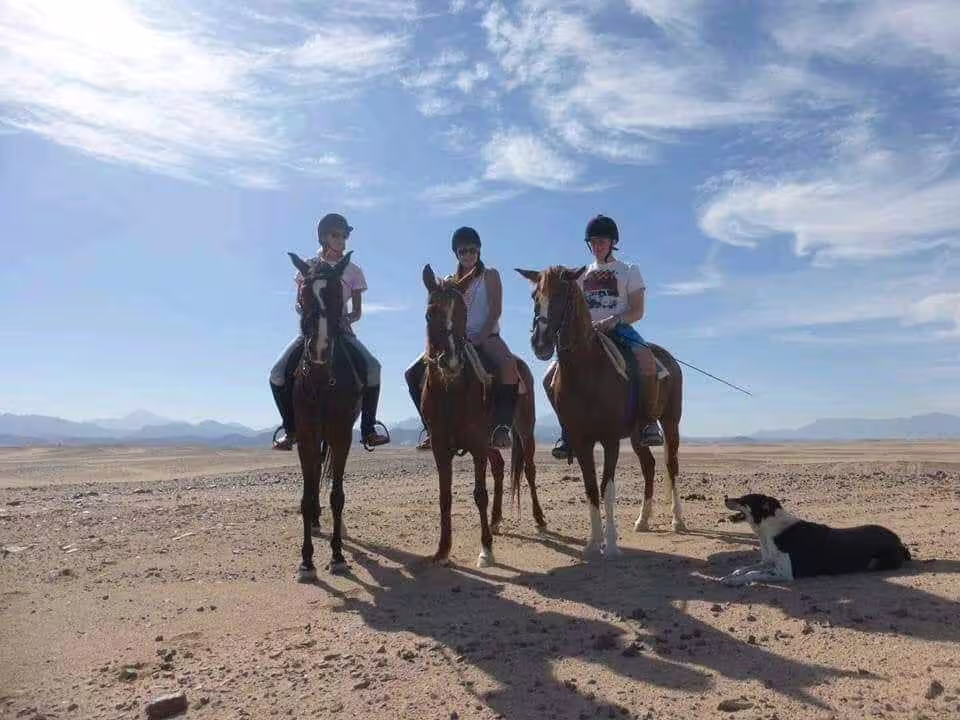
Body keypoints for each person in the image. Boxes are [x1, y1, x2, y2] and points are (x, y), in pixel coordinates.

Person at [269, 213, 390, 450]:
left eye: (344, 236)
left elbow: (356, 312)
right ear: (324, 237)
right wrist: (312, 314)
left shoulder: (353, 270)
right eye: (336, 235)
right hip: (311, 332)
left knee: (373, 368)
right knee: (276, 374)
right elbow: (297, 303)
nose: (342, 241)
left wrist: (341, 319)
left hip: (341, 332)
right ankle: (291, 428)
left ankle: (367, 430)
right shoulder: (308, 266)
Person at [549, 214, 663, 459]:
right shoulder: (580, 275)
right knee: (550, 376)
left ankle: (648, 421)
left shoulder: (629, 270)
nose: (597, 246)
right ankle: (566, 429)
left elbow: (637, 310)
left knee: (645, 359)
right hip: (586, 334)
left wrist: (614, 320)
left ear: (612, 243)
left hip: (619, 328)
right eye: (593, 242)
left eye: (602, 241)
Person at [404, 226, 520, 450]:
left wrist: (482, 335)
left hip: (487, 336)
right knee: (412, 373)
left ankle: (501, 428)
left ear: (479, 251)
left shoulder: (491, 275)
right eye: (463, 251)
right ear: (456, 254)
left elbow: (495, 310)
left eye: (473, 250)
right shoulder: (449, 280)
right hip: (456, 339)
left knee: (508, 366)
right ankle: (431, 428)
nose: (468, 255)